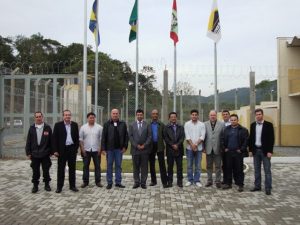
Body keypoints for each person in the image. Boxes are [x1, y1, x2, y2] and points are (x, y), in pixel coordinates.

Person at [52, 109, 79, 193]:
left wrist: (75, 149)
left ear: (70, 116)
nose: (67, 116)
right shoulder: (58, 125)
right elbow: (54, 139)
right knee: (61, 169)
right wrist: (55, 150)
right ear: (63, 116)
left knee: (72, 169)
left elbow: (77, 138)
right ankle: (59, 187)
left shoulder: (75, 125)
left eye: (69, 115)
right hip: (61, 150)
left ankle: (72, 186)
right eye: (66, 115)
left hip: (71, 149)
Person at [249, 108, 275, 195]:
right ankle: (257, 186)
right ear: (255, 116)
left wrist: (270, 151)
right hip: (256, 150)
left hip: (265, 151)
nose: (258, 116)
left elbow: (271, 139)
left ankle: (268, 188)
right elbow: (251, 138)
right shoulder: (252, 125)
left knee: (267, 170)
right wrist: (250, 150)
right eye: (256, 114)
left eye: (259, 114)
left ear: (262, 115)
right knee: (256, 170)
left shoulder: (269, 125)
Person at [25, 111, 52, 193]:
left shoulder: (47, 127)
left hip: (45, 154)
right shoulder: (32, 128)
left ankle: (47, 184)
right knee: (35, 171)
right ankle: (35, 186)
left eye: (40, 116)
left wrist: (51, 152)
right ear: (35, 118)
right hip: (35, 154)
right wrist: (28, 153)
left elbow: (51, 141)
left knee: (46, 170)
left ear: (42, 117)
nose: (38, 118)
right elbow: (28, 141)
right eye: (37, 117)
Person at [101, 109, 128, 189]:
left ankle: (118, 182)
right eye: (113, 113)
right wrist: (103, 148)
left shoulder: (123, 124)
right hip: (110, 149)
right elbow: (103, 137)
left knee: (118, 165)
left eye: (116, 113)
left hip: (119, 149)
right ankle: (109, 182)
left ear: (118, 114)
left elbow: (126, 136)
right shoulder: (106, 124)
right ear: (111, 114)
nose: (115, 115)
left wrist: (125, 147)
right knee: (109, 165)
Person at [222, 114, 249, 192]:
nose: (233, 121)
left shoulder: (243, 130)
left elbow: (246, 141)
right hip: (228, 153)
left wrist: (241, 149)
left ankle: (240, 184)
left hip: (238, 153)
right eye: (232, 120)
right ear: (230, 120)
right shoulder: (226, 129)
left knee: (239, 169)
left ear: (237, 120)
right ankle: (228, 183)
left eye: (235, 120)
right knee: (228, 168)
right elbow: (222, 140)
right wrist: (224, 148)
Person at [129, 109, 152, 189]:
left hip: (144, 150)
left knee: (144, 167)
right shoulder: (132, 125)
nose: (139, 116)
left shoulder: (147, 124)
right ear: (136, 115)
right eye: (138, 115)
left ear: (143, 115)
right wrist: (136, 145)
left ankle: (143, 182)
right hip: (135, 150)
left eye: (141, 115)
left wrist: (144, 145)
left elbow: (149, 136)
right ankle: (136, 182)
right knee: (135, 167)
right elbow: (130, 137)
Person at [79, 112, 103, 188]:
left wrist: (100, 149)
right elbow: (80, 139)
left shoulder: (99, 127)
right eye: (90, 117)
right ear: (87, 118)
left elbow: (102, 139)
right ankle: (85, 182)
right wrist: (82, 149)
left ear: (95, 118)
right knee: (85, 166)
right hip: (86, 150)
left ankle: (98, 181)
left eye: (93, 117)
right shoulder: (83, 127)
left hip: (96, 150)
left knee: (97, 166)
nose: (92, 119)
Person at [184, 109, 206, 187]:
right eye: (192, 114)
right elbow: (187, 136)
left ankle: (197, 180)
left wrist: (195, 144)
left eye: (195, 114)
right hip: (189, 148)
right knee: (189, 165)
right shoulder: (187, 124)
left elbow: (202, 136)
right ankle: (190, 180)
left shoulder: (202, 124)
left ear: (198, 116)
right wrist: (192, 145)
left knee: (198, 165)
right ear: (190, 115)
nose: (194, 116)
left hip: (199, 148)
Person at [164, 112, 185, 188]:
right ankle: (169, 181)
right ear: (169, 118)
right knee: (170, 167)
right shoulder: (166, 127)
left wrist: (177, 145)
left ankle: (180, 181)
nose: (173, 118)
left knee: (180, 167)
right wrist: (172, 145)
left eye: (174, 117)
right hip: (170, 150)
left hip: (179, 150)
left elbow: (182, 137)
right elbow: (165, 138)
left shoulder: (181, 127)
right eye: (171, 117)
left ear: (176, 118)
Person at [148, 109, 168, 188]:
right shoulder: (148, 124)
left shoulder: (162, 125)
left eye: (156, 114)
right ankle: (153, 181)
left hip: (160, 146)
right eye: (153, 114)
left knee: (162, 164)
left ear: (158, 115)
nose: (155, 115)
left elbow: (165, 137)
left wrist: (166, 148)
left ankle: (164, 182)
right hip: (151, 146)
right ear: (151, 115)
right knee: (152, 164)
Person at [204, 110, 224, 188]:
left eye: (214, 115)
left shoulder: (221, 124)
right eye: (211, 115)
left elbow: (223, 136)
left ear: (216, 116)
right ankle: (209, 181)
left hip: (218, 148)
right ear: (209, 116)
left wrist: (222, 147)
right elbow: (203, 136)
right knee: (209, 166)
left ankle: (218, 181)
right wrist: (203, 147)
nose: (213, 116)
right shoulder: (205, 124)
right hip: (208, 148)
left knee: (218, 166)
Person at [221, 109, 231, 184]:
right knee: (224, 165)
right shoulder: (220, 124)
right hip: (223, 148)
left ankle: (233, 180)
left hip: (231, 148)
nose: (225, 115)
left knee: (232, 165)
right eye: (223, 114)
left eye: (226, 114)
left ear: (229, 115)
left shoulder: (233, 123)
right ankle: (225, 180)